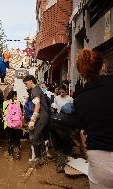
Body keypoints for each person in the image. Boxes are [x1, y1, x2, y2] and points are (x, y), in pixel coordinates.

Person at [74, 48, 113, 189]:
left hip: (98, 159)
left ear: (81, 73)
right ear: (103, 66)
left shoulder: (79, 97)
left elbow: (83, 133)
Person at [23, 75, 50, 167]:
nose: (26, 86)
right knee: (40, 136)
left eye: (26, 84)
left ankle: (38, 158)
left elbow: (37, 105)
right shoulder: (38, 89)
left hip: (41, 116)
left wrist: (32, 121)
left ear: (31, 81)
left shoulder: (35, 90)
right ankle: (43, 157)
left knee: (33, 136)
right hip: (44, 116)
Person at [3, 90, 23, 160]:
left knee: (9, 139)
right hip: (17, 124)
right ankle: (17, 153)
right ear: (14, 96)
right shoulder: (19, 103)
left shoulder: (5, 103)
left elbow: (3, 113)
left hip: (8, 124)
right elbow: (22, 113)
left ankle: (10, 155)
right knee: (17, 139)